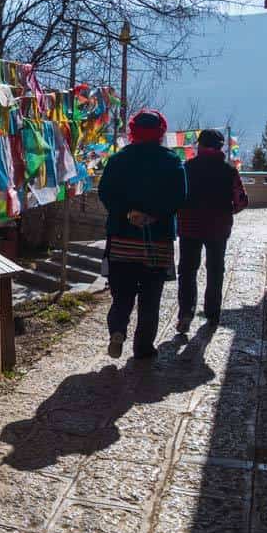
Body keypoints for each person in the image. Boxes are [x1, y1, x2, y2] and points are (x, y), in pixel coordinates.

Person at [98, 110, 187, 359]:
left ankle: (117, 331)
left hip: (121, 239)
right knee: (150, 298)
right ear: (161, 131)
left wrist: (128, 213)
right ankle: (144, 347)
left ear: (133, 131)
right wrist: (155, 215)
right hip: (156, 241)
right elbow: (180, 197)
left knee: (122, 294)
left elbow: (105, 192)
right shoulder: (172, 161)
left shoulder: (118, 160)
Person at [176, 129, 249, 333]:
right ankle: (213, 314)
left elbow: (177, 196)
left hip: (189, 226)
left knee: (188, 270)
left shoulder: (187, 168)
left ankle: (186, 314)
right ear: (220, 148)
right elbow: (242, 200)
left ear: (199, 145)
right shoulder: (229, 171)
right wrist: (228, 211)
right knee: (215, 270)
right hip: (218, 227)